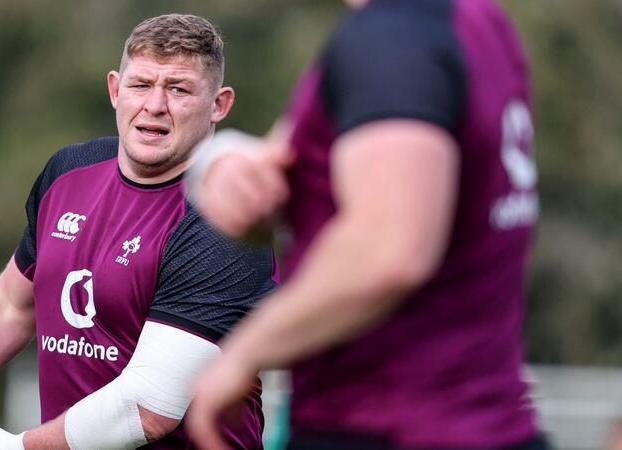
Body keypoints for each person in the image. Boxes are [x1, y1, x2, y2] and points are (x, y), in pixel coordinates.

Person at [0, 14, 277, 450]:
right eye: (141, 84)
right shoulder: (68, 171)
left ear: (219, 104)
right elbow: (9, 307)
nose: (155, 104)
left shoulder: (225, 220)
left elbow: (147, 410)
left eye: (179, 89)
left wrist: (17, 446)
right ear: (115, 89)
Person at [185, 0, 548, 449]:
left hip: (386, 425)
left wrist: (243, 354)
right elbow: (294, 164)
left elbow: (388, 252)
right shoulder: (473, 21)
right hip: (490, 424)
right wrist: (223, 165)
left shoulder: (392, 37)